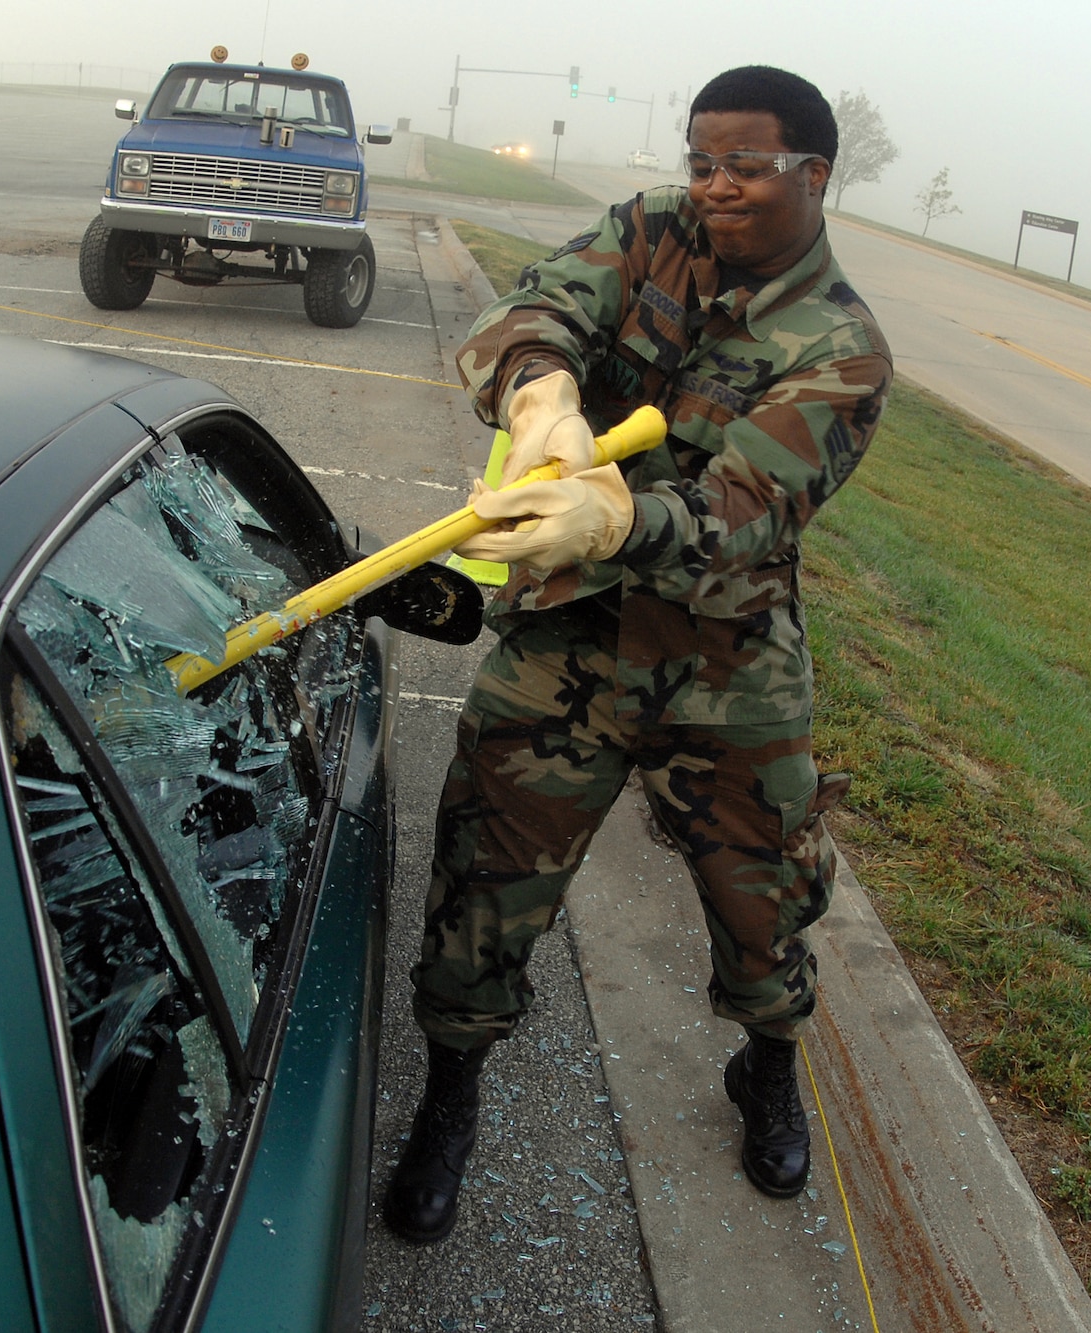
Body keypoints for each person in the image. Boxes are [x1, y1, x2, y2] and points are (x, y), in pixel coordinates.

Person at [384, 64, 891, 1245]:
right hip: (567, 635)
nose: (712, 187)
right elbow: (537, 304)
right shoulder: (651, 232)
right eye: (698, 160)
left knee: (761, 898)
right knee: (483, 878)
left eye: (742, 167)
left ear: (812, 175)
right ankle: (449, 1097)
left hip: (724, 661)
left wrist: (613, 518)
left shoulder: (842, 348)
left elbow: (743, 515)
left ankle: (765, 1063)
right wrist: (539, 393)